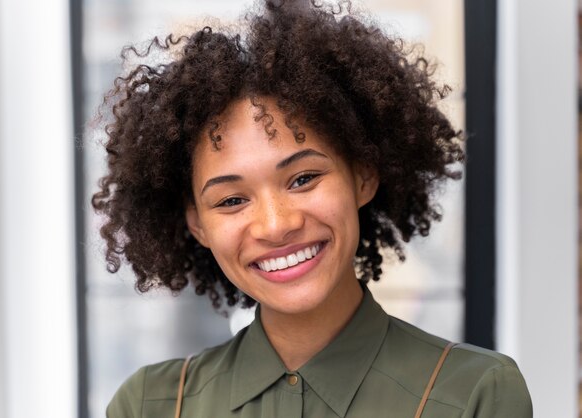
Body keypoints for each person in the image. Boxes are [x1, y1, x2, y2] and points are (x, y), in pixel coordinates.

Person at [93, 1, 532, 416]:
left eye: (303, 179)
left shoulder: (476, 394)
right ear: (197, 224)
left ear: (363, 175)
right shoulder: (149, 405)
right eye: (231, 200)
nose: (276, 224)